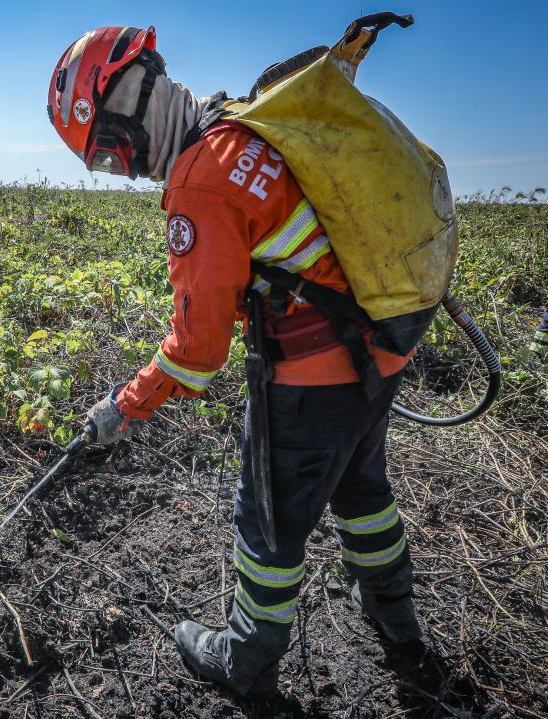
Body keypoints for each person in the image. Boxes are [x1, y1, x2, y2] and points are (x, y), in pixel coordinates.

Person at [47, 26, 423, 698]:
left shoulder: (202, 179)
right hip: (378, 356)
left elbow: (196, 357)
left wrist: (121, 405)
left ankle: (246, 660)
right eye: (104, 163)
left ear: (132, 99)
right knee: (363, 493)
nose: (124, 168)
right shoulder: (239, 132)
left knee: (266, 522)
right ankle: (399, 626)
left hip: (312, 377)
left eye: (110, 149)